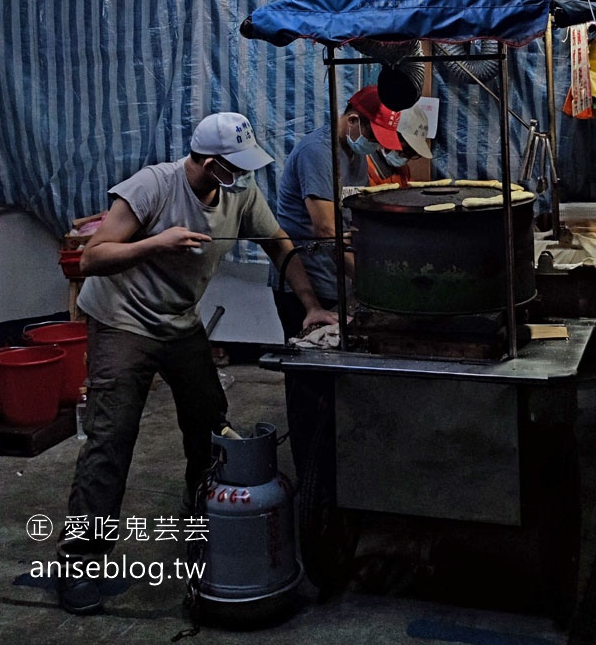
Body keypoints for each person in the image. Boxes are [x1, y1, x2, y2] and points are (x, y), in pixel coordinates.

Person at [55, 112, 335, 614]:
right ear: (208, 163)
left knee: (211, 429)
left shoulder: (240, 194)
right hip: (121, 322)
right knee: (110, 439)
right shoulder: (153, 186)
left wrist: (312, 304)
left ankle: (199, 525)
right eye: (233, 167)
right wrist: (154, 243)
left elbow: (280, 246)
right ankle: (80, 562)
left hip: (178, 322)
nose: (243, 178)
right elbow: (92, 258)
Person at [272, 85, 404, 341]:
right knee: (310, 366)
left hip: (335, 278)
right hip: (307, 282)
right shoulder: (318, 152)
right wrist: (373, 285)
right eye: (373, 136)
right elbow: (326, 230)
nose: (376, 145)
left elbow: (353, 212)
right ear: (353, 120)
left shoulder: (355, 155)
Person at [366, 103, 433, 187]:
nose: (404, 158)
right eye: (404, 151)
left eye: (410, 154)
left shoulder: (403, 170)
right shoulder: (364, 168)